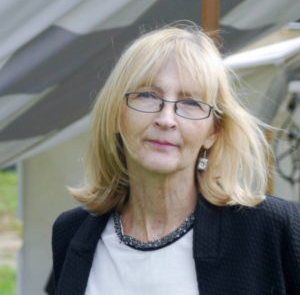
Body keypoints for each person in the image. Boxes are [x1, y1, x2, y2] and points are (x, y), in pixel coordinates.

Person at [51, 24, 300, 295]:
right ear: (115, 115)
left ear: (213, 132)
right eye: (147, 95)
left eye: (191, 103)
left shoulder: (270, 228)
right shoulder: (72, 232)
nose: (166, 119)